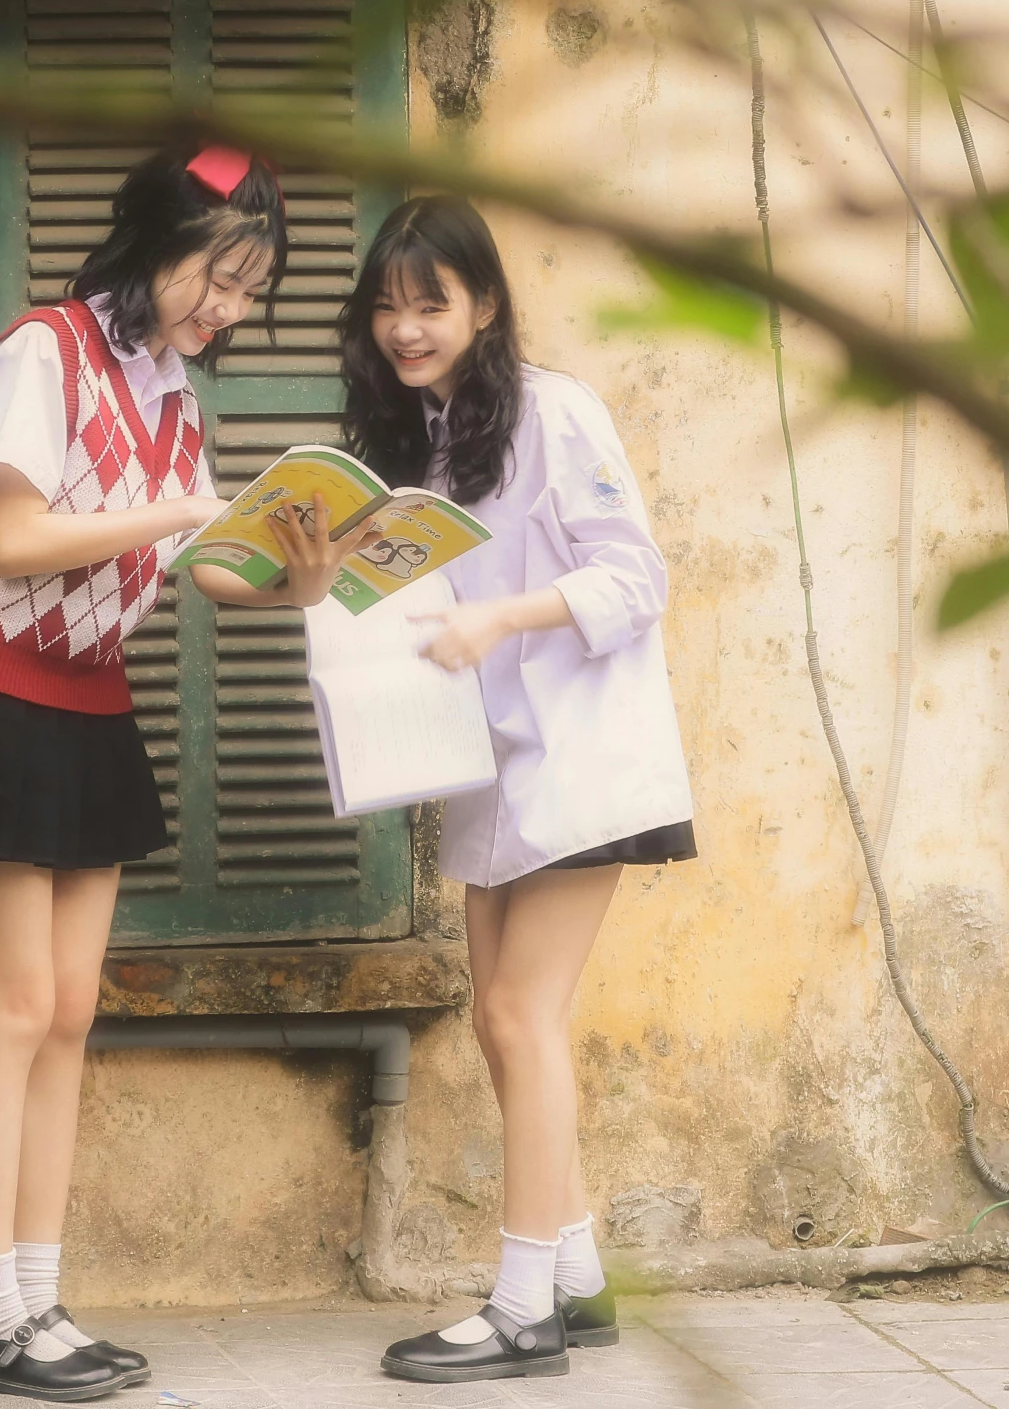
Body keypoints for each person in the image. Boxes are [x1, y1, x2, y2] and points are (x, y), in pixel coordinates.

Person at [0, 141, 378, 1401]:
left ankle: (40, 1300)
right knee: (16, 1009)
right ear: (156, 244)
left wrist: (289, 577)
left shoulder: (169, 393)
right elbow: (21, 533)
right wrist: (172, 512)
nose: (230, 310)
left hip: (91, 702)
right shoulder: (40, 351)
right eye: (221, 277)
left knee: (74, 1012)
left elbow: (199, 565)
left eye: (252, 292)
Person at [339, 196, 698, 1383]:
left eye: (429, 303)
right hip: (489, 765)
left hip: (583, 761)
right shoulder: (425, 439)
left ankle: (521, 1308)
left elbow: (634, 576)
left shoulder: (556, 411)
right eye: (386, 306)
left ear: (483, 304)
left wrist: (502, 612)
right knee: (507, 1029)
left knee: (515, 1019)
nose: (405, 327)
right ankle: (576, 1278)